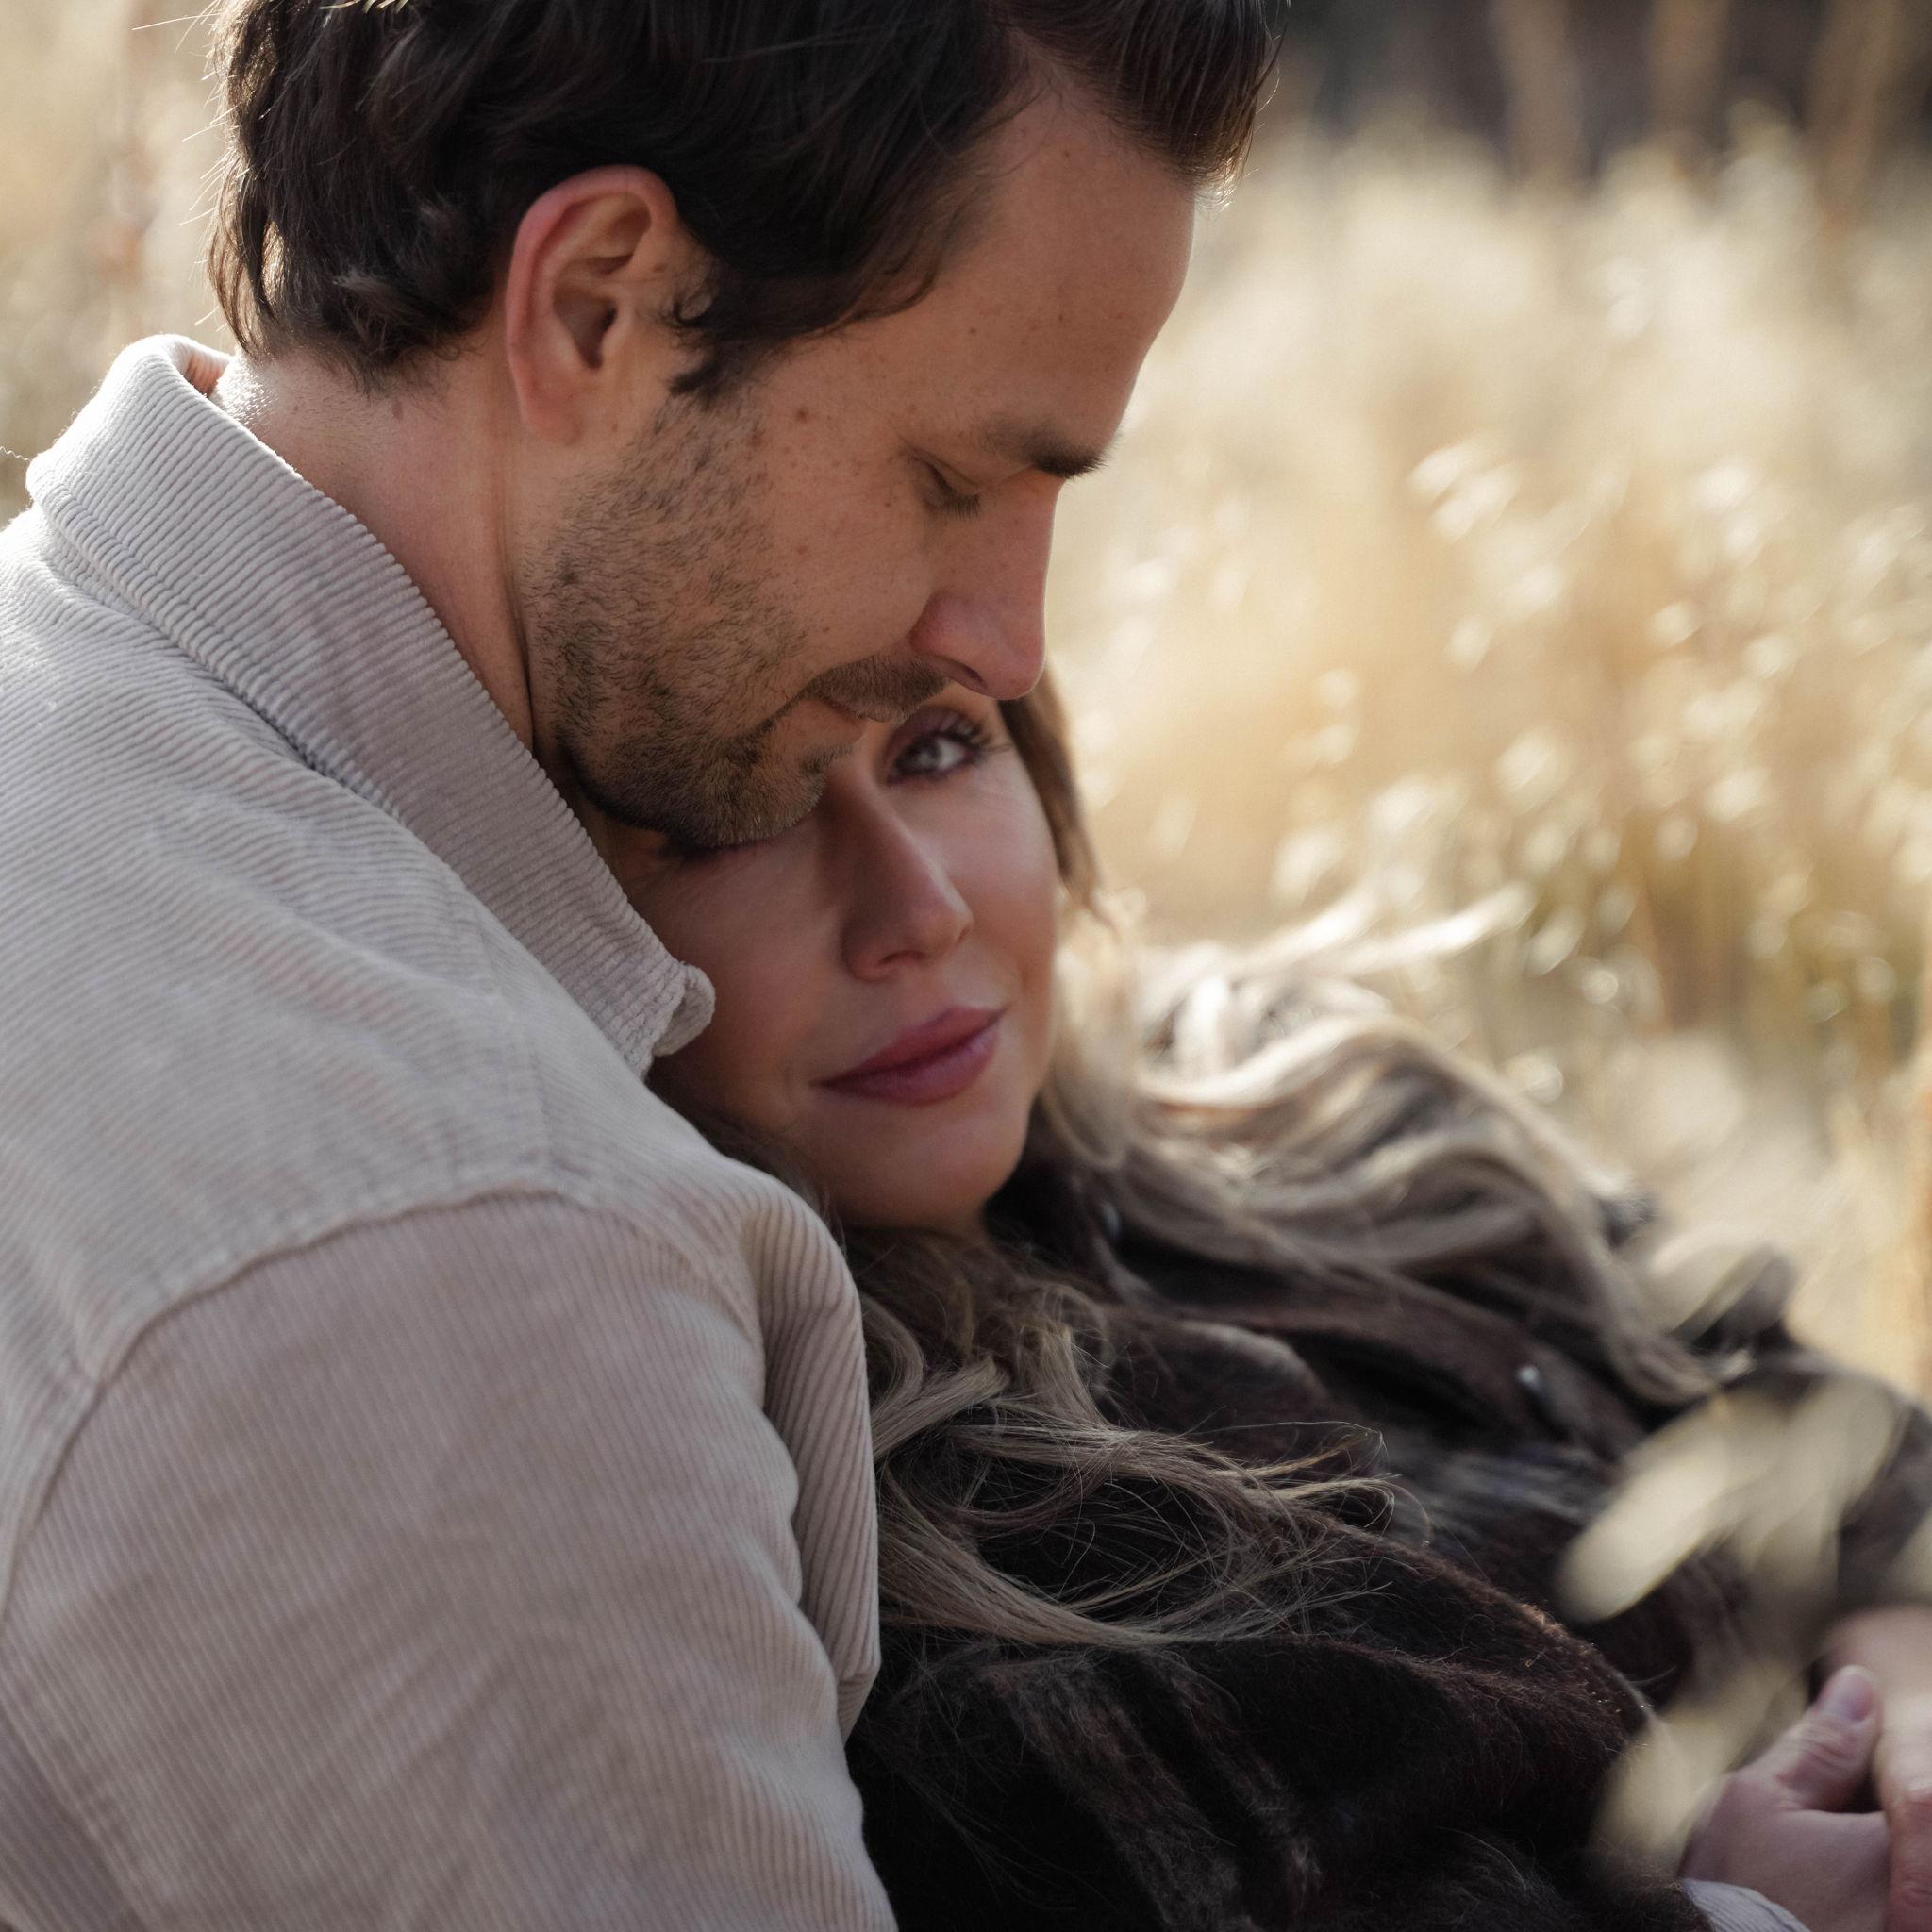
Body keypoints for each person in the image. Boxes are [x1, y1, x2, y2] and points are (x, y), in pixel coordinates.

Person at [0, 3, 1282, 1924]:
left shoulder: (67, 694)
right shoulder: (465, 1271)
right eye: (954, 479)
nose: (1007, 642)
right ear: (600, 304)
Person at [605, 673, 1932, 1932]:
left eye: (939, 746)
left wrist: (1910, 1726)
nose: (921, 908)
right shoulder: (867, 1559)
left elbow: (1839, 1436)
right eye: (742, 818)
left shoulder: (1283, 1074)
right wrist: (1743, 1911)